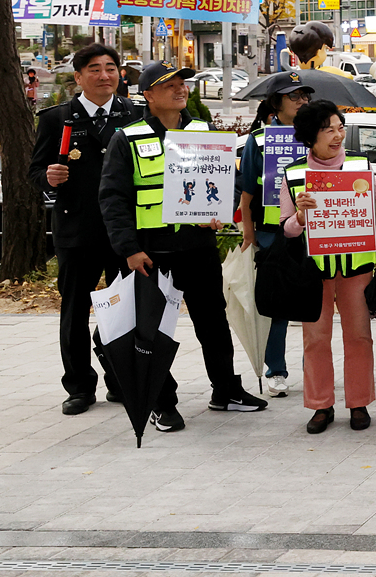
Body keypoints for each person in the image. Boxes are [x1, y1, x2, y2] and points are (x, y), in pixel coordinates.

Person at [98, 62, 268, 432]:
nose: (179, 90)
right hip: (150, 251)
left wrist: (221, 208)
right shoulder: (128, 138)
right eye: (168, 85)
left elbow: (233, 183)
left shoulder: (204, 132)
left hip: (198, 246)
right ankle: (162, 401)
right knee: (152, 331)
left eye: (181, 84)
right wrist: (128, 248)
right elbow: (112, 200)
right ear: (147, 95)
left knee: (213, 323)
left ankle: (226, 390)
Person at [30, 43, 144, 416]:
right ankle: (79, 386)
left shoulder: (135, 116)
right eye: (94, 69)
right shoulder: (56, 118)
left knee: (124, 310)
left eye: (111, 68)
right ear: (78, 77)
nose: (104, 75)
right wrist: (48, 178)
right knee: (74, 311)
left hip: (123, 231)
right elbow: (35, 171)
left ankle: (120, 378)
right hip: (76, 230)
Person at [279, 100, 376, 434]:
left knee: (359, 337)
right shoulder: (294, 174)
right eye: (328, 130)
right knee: (316, 339)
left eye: (340, 127)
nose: (337, 135)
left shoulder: (360, 167)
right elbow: (285, 228)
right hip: (314, 272)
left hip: (357, 268)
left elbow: (375, 217)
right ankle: (321, 405)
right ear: (310, 137)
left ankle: (359, 402)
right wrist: (299, 217)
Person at [234, 72, 315, 398]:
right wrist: (249, 233)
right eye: (293, 96)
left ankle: (316, 369)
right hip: (272, 235)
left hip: (316, 231)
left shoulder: (318, 135)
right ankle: (276, 370)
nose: (301, 101)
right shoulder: (260, 140)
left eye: (304, 95)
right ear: (275, 103)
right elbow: (247, 193)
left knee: (316, 306)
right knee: (277, 307)